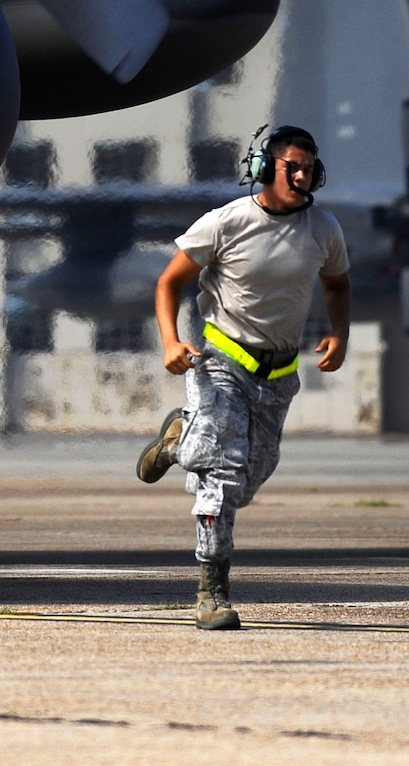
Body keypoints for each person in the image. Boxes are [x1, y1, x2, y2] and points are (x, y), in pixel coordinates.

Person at [135, 125, 350, 630]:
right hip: (222, 364)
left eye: (309, 167)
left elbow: (337, 286)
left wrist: (339, 334)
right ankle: (212, 593)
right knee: (222, 477)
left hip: (278, 373)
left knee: (250, 478)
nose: (302, 175)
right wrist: (170, 342)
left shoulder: (324, 229)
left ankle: (175, 443)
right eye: (291, 166)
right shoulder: (225, 224)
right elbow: (169, 283)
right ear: (262, 169)